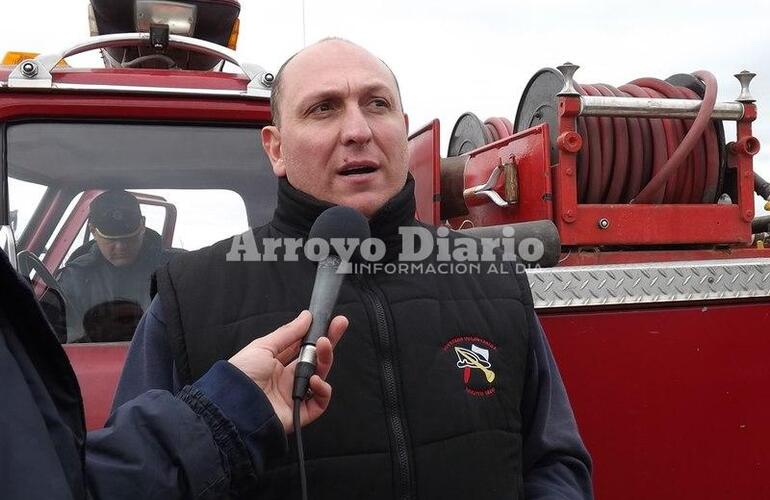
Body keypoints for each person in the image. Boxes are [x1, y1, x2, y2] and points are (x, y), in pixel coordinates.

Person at [114, 38, 593, 499]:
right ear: (276, 149)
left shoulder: (492, 276)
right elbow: (141, 481)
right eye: (323, 108)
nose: (358, 131)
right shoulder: (189, 298)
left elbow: (554, 462)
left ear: (403, 129)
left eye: (377, 104)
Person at [0, 247, 347, 500]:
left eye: (126, 235)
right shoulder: (179, 289)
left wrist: (231, 411)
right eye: (109, 236)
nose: (118, 246)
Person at [58, 189, 172, 342]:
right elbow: (61, 336)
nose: (120, 247)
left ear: (143, 224)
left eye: (129, 239)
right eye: (111, 240)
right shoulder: (74, 277)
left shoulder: (173, 271)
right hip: (93, 357)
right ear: (93, 231)